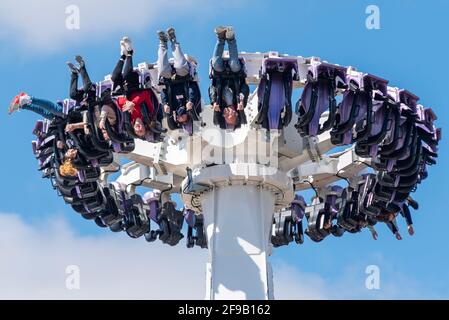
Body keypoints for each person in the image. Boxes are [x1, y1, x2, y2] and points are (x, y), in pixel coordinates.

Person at [111, 37, 163, 140]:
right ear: (144, 127)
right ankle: (130, 53)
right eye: (142, 130)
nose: (139, 129)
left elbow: (119, 102)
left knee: (115, 77)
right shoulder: (149, 114)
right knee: (126, 74)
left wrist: (126, 102)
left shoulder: (129, 118)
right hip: (138, 87)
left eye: (137, 131)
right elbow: (145, 95)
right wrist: (133, 103)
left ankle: (123, 55)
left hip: (126, 92)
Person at [157, 28, 201, 134]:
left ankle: (162, 43)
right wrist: (190, 101)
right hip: (184, 78)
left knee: (162, 70)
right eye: (185, 119)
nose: (181, 117)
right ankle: (173, 40)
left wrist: (165, 104)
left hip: (170, 81)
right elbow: (193, 88)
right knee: (180, 66)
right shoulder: (194, 105)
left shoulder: (172, 108)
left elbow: (163, 92)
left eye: (181, 121)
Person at [209, 26, 249, 130]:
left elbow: (211, 88)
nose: (225, 114)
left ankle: (221, 38)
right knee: (234, 64)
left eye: (224, 117)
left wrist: (213, 101)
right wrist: (242, 99)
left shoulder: (218, 104)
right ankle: (231, 38)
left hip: (221, 76)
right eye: (229, 116)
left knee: (216, 64)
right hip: (235, 76)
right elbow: (245, 87)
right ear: (235, 113)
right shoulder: (240, 103)